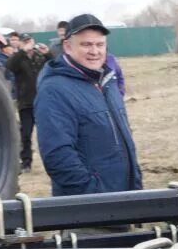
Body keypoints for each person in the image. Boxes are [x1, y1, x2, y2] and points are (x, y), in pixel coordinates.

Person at [34, 14, 143, 195]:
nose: (95, 51)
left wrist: (135, 182)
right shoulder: (54, 90)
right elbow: (57, 155)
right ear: (68, 46)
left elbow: (124, 137)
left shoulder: (107, 81)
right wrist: (94, 195)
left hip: (124, 199)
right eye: (86, 45)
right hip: (90, 208)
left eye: (100, 45)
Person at [5, 33, 49, 171]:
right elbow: (9, 66)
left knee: (48, 133)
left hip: (42, 101)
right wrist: (23, 51)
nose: (28, 43)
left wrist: (47, 53)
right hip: (26, 102)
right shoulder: (19, 58)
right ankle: (26, 162)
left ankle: (50, 160)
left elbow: (54, 63)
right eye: (25, 41)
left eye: (29, 40)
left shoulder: (39, 56)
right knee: (26, 134)